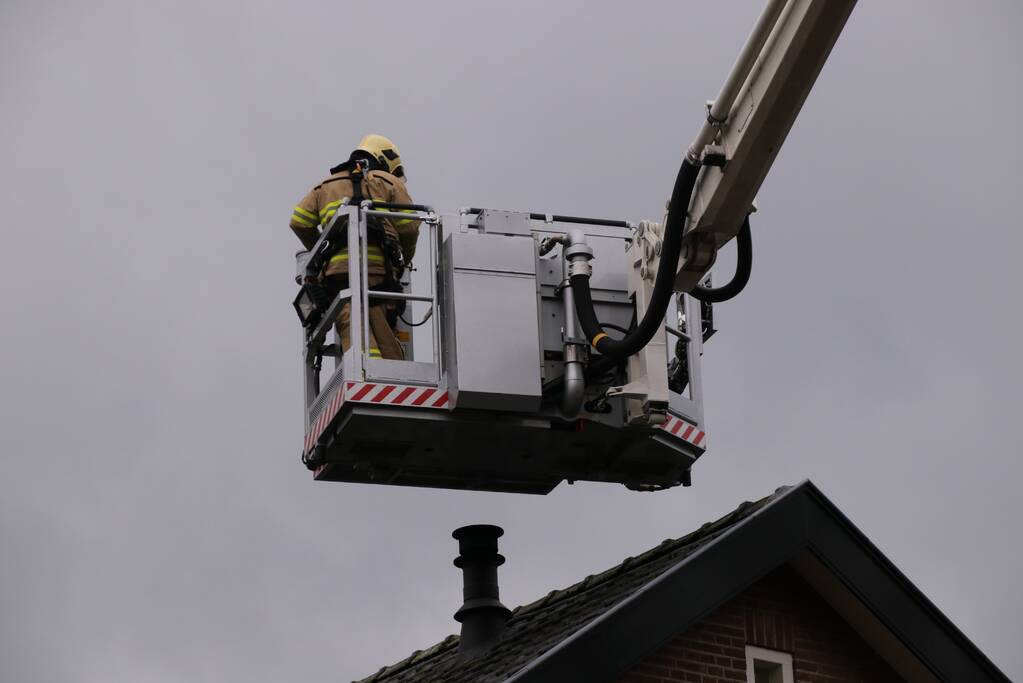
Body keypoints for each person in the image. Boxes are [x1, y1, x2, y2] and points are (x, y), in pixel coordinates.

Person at [290, 134, 419, 359]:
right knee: (385, 337)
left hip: (338, 276)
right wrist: (403, 261)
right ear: (384, 159)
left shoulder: (325, 186)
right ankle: (383, 372)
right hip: (380, 275)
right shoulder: (390, 182)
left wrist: (320, 250)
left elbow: (299, 222)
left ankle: (364, 370)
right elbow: (409, 228)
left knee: (354, 333)